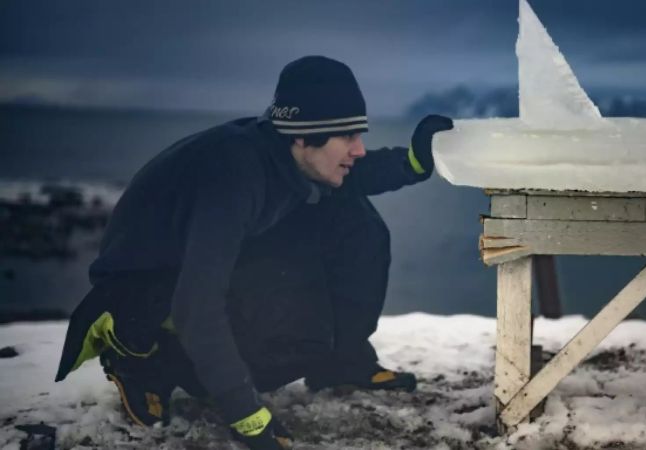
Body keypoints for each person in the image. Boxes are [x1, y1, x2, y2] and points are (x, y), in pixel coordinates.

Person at [54, 55, 454, 450]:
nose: (360, 149)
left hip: (198, 267)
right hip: (142, 289)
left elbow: (348, 174)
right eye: (348, 136)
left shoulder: (282, 153)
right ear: (303, 134)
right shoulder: (234, 178)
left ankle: (340, 362)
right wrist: (244, 412)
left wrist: (414, 162)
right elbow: (198, 304)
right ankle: (143, 362)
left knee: (355, 221)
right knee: (283, 330)